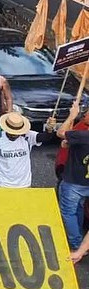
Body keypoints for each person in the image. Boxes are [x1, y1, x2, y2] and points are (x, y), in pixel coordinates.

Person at [0, 112, 54, 188]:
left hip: (24, 183)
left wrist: (49, 129)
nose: (14, 135)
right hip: (2, 183)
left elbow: (45, 137)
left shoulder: (28, 136)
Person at [55, 102, 89, 251]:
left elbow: (61, 132)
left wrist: (72, 115)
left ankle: (77, 245)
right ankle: (80, 237)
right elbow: (67, 142)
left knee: (68, 212)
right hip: (86, 182)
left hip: (74, 182)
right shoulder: (81, 136)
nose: (85, 114)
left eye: (87, 113)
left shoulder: (82, 135)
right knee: (79, 209)